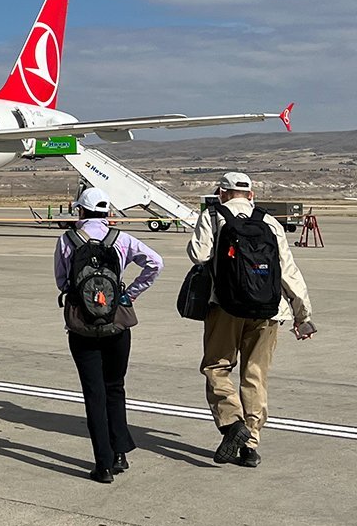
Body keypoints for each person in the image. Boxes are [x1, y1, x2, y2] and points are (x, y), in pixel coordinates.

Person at [187, 171, 315, 467]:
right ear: (251, 195)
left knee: (216, 367)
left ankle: (233, 424)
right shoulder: (269, 221)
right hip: (269, 311)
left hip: (226, 307)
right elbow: (288, 270)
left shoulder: (213, 216)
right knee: (255, 375)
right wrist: (302, 315)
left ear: (221, 193)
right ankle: (251, 447)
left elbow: (198, 254)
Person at [55, 187, 163, 483]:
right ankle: (119, 453)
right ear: (107, 213)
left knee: (94, 393)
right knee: (115, 386)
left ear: (80, 211)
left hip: (81, 326)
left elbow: (62, 280)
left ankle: (102, 465)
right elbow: (156, 263)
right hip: (117, 324)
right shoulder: (122, 239)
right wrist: (129, 294)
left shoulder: (68, 240)